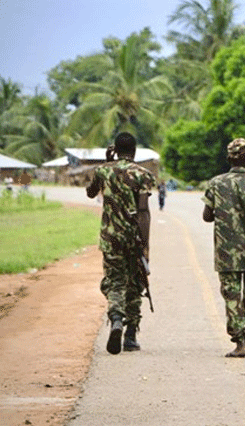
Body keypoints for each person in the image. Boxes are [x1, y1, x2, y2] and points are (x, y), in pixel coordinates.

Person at [202, 138, 245, 358]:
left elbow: (206, 216)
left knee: (232, 295)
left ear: (228, 158)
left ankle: (239, 342)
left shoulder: (215, 183)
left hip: (226, 251)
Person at [86, 132, 156, 355]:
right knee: (135, 283)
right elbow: (144, 210)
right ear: (134, 151)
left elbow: (90, 193)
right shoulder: (142, 174)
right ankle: (131, 336)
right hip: (134, 239)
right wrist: (145, 244)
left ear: (115, 149)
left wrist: (107, 162)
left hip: (110, 239)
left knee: (115, 282)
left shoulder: (103, 171)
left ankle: (116, 319)